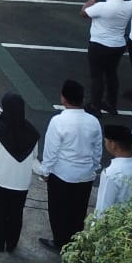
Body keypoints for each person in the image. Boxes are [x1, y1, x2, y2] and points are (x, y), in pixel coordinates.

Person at [37, 79, 102, 253]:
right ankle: (74, 242)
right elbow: (97, 149)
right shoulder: (93, 121)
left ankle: (60, 242)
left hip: (62, 175)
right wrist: (94, 167)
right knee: (78, 210)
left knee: (58, 210)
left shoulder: (58, 121)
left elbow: (51, 151)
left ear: (64, 99)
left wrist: (45, 171)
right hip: (86, 175)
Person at [0, 92, 40, 253]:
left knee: (0, 211)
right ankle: (12, 243)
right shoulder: (32, 132)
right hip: (21, 182)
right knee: (16, 212)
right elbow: (34, 156)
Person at [82, 0, 132, 115]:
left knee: (97, 76)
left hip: (99, 45)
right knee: (111, 74)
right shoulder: (130, 6)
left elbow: (83, 12)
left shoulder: (102, 6)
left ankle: (95, 105)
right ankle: (111, 104)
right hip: (118, 45)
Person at [94, 124, 132, 216]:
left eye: (106, 141)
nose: (105, 144)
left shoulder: (110, 173)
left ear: (113, 145)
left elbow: (103, 208)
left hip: (116, 225)